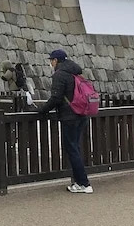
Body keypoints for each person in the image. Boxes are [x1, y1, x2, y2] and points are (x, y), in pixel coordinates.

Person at [37, 48, 93, 194]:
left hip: (69, 116)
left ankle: (83, 183)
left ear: (56, 60)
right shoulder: (75, 72)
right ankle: (80, 182)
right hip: (81, 114)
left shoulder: (60, 75)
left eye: (51, 60)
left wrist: (42, 110)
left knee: (72, 149)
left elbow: (56, 97)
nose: (50, 63)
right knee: (76, 148)